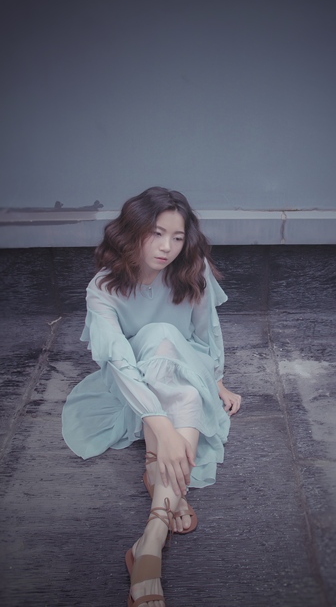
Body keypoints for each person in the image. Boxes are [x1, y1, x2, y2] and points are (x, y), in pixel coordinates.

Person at [62, 186, 241, 607]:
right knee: (173, 370)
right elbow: (119, 363)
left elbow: (206, 333)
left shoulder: (191, 269)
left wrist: (216, 379)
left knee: (179, 365)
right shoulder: (103, 289)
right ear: (133, 231)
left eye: (177, 237)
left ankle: (150, 541)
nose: (167, 248)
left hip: (186, 363)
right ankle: (164, 492)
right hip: (133, 381)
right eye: (157, 233)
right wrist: (163, 425)